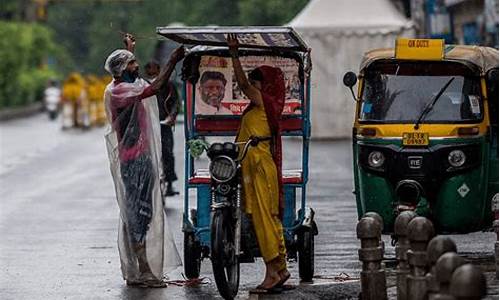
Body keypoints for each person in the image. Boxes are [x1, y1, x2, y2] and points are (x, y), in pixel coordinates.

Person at [103, 33, 184, 287]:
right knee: (139, 214)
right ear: (120, 70)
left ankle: (141, 270)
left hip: (140, 158)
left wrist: (128, 50)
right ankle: (144, 271)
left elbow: (139, 82)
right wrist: (172, 61)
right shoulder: (120, 92)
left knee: (142, 214)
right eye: (131, 64)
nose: (136, 67)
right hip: (133, 160)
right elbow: (154, 87)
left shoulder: (123, 85)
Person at [227, 33, 290, 294]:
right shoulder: (264, 106)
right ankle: (281, 268)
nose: (251, 87)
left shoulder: (266, 102)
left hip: (261, 166)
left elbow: (241, 83)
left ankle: (272, 272)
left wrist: (234, 53)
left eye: (256, 83)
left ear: (265, 86)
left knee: (265, 219)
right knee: (267, 218)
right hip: (254, 165)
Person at [144, 61, 179, 197]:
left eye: (154, 69)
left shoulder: (168, 85)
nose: (151, 72)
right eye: (148, 69)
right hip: (148, 125)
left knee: (167, 152)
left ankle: (169, 183)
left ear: (159, 70)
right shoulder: (143, 85)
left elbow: (175, 102)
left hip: (164, 124)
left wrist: (172, 116)